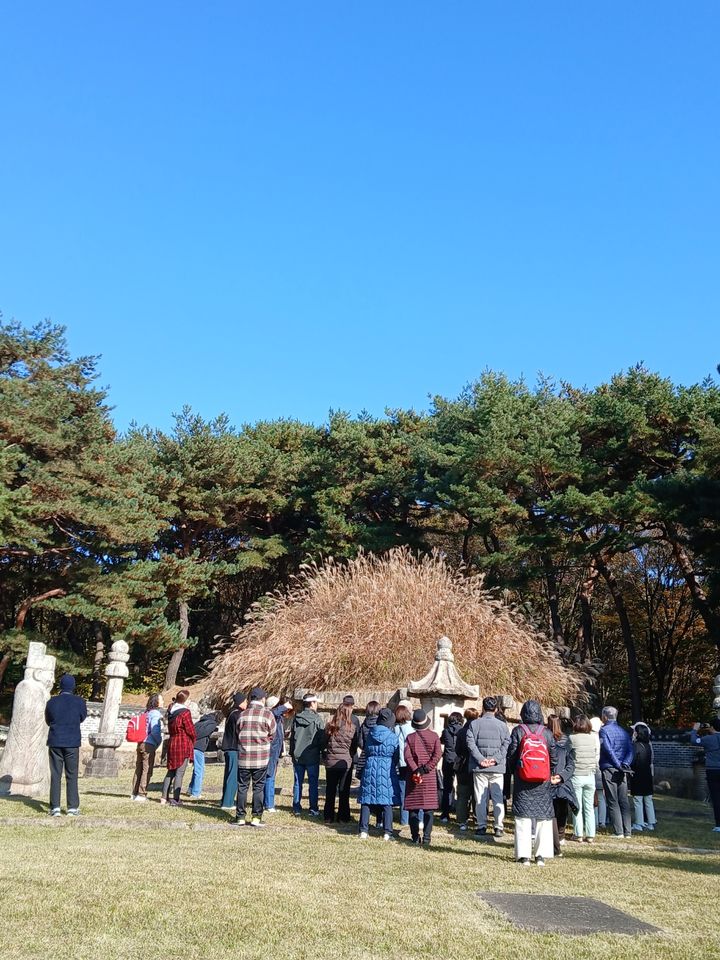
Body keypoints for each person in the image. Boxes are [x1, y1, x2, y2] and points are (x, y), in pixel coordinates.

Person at [506, 700, 559, 867]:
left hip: (523, 780)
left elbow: (512, 755)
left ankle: (523, 856)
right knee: (543, 818)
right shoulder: (547, 733)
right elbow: (554, 758)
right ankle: (541, 855)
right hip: (542, 781)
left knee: (523, 818)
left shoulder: (518, 731)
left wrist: (516, 770)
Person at [467, 696, 510, 839]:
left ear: (483, 708)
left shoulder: (474, 724)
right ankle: (498, 826)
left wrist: (481, 760)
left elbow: (470, 743)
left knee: (480, 797)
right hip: (497, 768)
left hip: (480, 767)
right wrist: (495, 759)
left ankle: (481, 825)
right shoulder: (503, 726)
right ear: (496, 709)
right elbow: (506, 744)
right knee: (498, 798)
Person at [44, 673, 87, 817]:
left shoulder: (52, 702)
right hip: (72, 741)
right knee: (72, 774)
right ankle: (72, 807)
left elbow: (48, 720)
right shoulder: (79, 702)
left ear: (61, 686)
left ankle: (55, 807)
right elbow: (82, 717)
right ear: (73, 687)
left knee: (55, 774)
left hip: (55, 740)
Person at [233, 687, 277, 826]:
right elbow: (273, 733)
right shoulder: (267, 715)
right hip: (261, 757)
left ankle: (240, 817)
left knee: (242, 787)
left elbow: (237, 732)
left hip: (244, 756)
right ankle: (256, 817)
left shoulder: (242, 714)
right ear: (263, 699)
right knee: (258, 787)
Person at [358, 706, 400, 841]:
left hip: (370, 766)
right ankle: (387, 832)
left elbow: (366, 748)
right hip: (387, 768)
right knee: (387, 800)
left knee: (367, 799)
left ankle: (363, 830)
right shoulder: (393, 737)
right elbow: (396, 755)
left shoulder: (371, 733)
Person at [403, 709, 442, 846]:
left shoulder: (410, 737)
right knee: (428, 808)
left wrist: (416, 769)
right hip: (429, 776)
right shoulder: (434, 736)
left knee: (413, 808)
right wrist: (426, 768)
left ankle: (414, 836)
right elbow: (437, 755)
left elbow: (407, 756)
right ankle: (426, 837)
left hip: (414, 776)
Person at [598, 705, 634, 839]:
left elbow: (607, 749)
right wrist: (625, 764)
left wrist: (618, 764)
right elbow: (631, 750)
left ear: (605, 717)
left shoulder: (604, 731)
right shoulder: (624, 731)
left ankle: (619, 831)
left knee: (612, 800)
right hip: (623, 769)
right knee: (624, 800)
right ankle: (628, 831)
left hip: (610, 768)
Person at [323, 702, 359, 823]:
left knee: (330, 790)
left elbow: (324, 743)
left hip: (331, 762)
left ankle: (328, 816)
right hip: (345, 762)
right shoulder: (352, 728)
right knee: (344, 791)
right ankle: (343, 816)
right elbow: (354, 746)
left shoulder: (330, 726)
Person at [547, 713, 576, 856]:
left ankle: (554, 837)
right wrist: (562, 776)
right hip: (562, 780)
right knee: (562, 809)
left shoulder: (545, 738)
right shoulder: (567, 740)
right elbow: (571, 763)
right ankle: (561, 835)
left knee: (551, 810)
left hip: (549, 778)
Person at [290, 693, 324, 816]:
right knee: (313, 783)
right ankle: (313, 808)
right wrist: (322, 751)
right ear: (312, 703)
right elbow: (321, 738)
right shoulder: (317, 719)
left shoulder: (296, 718)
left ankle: (296, 807)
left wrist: (292, 753)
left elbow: (292, 737)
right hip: (312, 755)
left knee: (297, 782)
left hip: (298, 755)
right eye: (316, 702)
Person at [161, 690, 196, 806]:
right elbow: (190, 729)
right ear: (185, 700)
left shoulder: (171, 710)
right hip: (183, 743)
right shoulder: (185, 712)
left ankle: (164, 797)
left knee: (170, 771)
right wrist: (194, 737)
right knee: (180, 772)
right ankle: (176, 798)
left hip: (172, 741)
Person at [569, 713, 599, 842]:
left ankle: (578, 833)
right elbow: (596, 754)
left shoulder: (571, 738)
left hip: (576, 775)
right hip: (590, 775)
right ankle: (591, 834)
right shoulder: (593, 738)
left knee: (577, 806)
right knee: (589, 807)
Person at [130, 693, 164, 802]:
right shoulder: (155, 714)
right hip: (149, 744)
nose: (163, 701)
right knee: (147, 769)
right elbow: (155, 730)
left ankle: (134, 792)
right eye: (161, 699)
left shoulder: (146, 712)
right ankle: (141, 793)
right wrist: (159, 741)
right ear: (157, 702)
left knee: (139, 768)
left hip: (140, 742)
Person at [689, 718, 720, 832]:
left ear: (712, 727)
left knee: (716, 798)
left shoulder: (708, 739)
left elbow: (694, 740)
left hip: (712, 770)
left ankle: (718, 825)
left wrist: (695, 730)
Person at [264, 696, 292, 814]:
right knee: (269, 776)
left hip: (275, 751)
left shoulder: (278, 717)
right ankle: (268, 803)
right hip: (271, 750)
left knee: (271, 776)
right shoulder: (271, 714)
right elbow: (273, 712)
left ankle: (268, 802)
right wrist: (284, 706)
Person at [219, 692, 246, 812]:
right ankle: (228, 802)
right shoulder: (237, 715)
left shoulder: (231, 713)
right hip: (234, 747)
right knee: (233, 776)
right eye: (245, 701)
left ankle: (226, 799)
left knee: (228, 775)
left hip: (229, 747)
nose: (247, 703)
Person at [188, 708, 221, 800]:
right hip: (198, 747)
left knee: (197, 769)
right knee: (199, 770)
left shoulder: (200, 722)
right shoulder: (212, 724)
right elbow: (203, 733)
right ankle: (196, 792)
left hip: (193, 746)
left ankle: (191, 788)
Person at [455, 707, 479, 832]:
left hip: (463, 766)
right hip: (477, 765)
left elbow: (457, 750)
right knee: (477, 795)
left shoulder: (461, 732)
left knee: (462, 795)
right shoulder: (479, 730)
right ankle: (478, 818)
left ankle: (461, 820)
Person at [338, 694, 361, 819]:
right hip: (348, 756)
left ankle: (329, 815)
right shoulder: (355, 720)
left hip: (334, 757)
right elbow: (356, 740)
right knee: (345, 787)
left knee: (333, 787)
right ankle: (344, 813)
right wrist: (352, 753)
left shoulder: (335, 719)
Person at [630, 722, 656, 832]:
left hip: (638, 774)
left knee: (638, 800)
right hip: (647, 774)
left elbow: (632, 760)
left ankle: (639, 823)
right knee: (648, 799)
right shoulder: (648, 745)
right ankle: (651, 822)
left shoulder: (635, 746)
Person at [439, 711, 464, 823]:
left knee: (447, 787)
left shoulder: (446, 731)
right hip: (460, 760)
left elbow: (442, 740)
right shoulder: (463, 731)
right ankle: (460, 813)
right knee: (462, 787)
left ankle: (445, 813)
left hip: (448, 759)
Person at [394, 703, 414, 827]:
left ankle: (404, 819)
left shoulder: (395, 729)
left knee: (402, 791)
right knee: (413, 789)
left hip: (401, 762)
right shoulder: (412, 727)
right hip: (411, 762)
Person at [590, 716, 607, 829]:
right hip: (600, 769)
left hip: (592, 769)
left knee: (592, 796)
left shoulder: (590, 737)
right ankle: (602, 821)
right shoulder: (602, 737)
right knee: (601, 796)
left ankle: (595, 821)